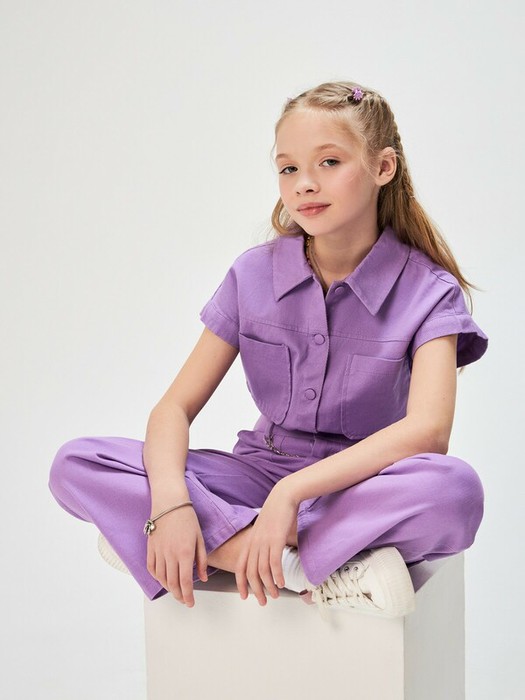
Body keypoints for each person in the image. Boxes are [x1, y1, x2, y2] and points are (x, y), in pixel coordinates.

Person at [49, 80, 487, 618]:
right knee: (77, 464)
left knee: (454, 492)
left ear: (383, 168)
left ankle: (184, 544)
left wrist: (292, 494)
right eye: (288, 168)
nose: (305, 184)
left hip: (361, 488)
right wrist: (171, 506)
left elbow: (428, 433)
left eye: (329, 162)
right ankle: (302, 566)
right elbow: (173, 409)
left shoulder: (428, 291)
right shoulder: (253, 274)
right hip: (254, 477)